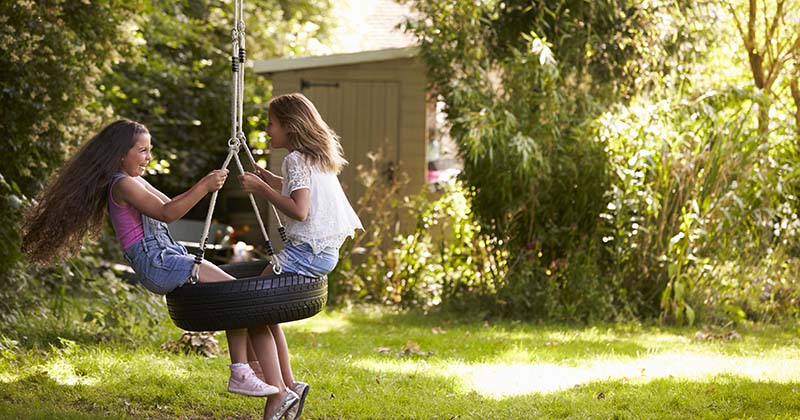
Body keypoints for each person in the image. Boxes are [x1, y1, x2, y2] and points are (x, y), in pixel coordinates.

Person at [22, 119, 300, 420]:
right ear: (119, 154)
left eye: (149, 150)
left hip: (168, 256)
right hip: (157, 263)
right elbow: (167, 214)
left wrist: (202, 188)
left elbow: (171, 203)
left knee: (236, 296)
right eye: (142, 151)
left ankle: (273, 383)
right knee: (236, 295)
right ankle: (243, 372)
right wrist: (204, 187)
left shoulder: (136, 181)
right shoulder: (122, 184)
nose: (148, 157)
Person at [239, 92, 363, 419]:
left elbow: (300, 209)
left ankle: (278, 392)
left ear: (290, 126)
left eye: (271, 123)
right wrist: (270, 179)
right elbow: (298, 188)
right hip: (322, 252)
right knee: (266, 316)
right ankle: (291, 385)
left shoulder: (295, 158)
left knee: (251, 310)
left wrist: (262, 190)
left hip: (304, 253)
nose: (268, 130)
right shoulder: (313, 157)